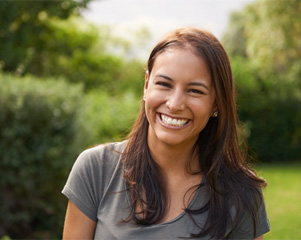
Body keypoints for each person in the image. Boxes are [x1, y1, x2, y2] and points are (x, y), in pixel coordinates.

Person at [62, 27, 270, 239]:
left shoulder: (241, 193)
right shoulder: (95, 169)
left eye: (195, 91)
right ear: (146, 85)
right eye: (164, 84)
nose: (175, 104)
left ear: (216, 103)